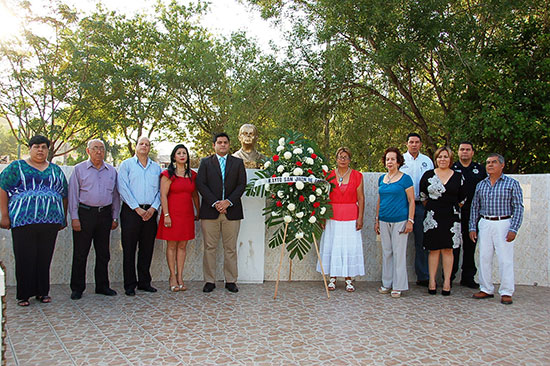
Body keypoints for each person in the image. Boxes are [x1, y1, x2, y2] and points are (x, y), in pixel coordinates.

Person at [0, 135, 68, 306]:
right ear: (29, 149)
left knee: (44, 257)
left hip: (50, 221)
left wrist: (63, 217)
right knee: (24, 256)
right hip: (23, 221)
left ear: (48, 150)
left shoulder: (55, 170)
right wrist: (4, 215)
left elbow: (64, 194)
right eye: (36, 146)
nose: (40, 150)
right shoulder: (17, 167)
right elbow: (2, 188)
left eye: (44, 147)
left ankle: (42, 292)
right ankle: (23, 295)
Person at [69, 139, 120, 300]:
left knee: (103, 253)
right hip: (85, 214)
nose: (99, 151)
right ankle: (77, 288)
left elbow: (116, 196)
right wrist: (74, 218)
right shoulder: (79, 170)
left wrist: (115, 216)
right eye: (95, 148)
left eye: (102, 149)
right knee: (80, 253)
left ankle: (102, 286)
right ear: (88, 151)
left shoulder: (111, 171)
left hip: (104, 215)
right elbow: (73, 195)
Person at [470, 153, 523, 305]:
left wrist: (514, 228)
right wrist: (472, 227)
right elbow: (475, 207)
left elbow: (518, 207)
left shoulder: (511, 184)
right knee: (484, 257)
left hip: (504, 223)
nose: (490, 165)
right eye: (488, 162)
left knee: (505, 259)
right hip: (485, 222)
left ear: (502, 165)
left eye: (494, 162)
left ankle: (506, 291)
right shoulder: (481, 185)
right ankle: (486, 288)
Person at [196, 132, 247, 293]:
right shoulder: (205, 162)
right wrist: (216, 203)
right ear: (214, 145)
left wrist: (228, 202)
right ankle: (209, 281)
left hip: (232, 211)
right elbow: (201, 184)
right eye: (219, 142)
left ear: (229, 144)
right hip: (210, 212)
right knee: (210, 247)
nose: (222, 145)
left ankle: (231, 280)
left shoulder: (238, 163)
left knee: (230, 248)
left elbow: (241, 184)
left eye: (225, 142)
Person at [117, 136, 162, 296]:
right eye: (141, 144)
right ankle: (129, 284)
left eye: (147, 144)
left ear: (150, 148)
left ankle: (144, 282)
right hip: (131, 212)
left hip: (150, 213)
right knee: (129, 249)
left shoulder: (156, 168)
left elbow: (160, 191)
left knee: (147, 248)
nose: (144, 146)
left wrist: (153, 208)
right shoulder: (126, 165)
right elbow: (123, 188)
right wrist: (137, 208)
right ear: (136, 146)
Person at [317, 147, 365, 292]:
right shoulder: (329, 175)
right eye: (340, 157)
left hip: (351, 216)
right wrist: (322, 216)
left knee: (349, 247)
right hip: (332, 216)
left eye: (346, 157)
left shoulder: (357, 176)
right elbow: (324, 197)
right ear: (336, 159)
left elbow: (361, 198)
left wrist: (360, 217)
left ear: (350, 160)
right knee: (333, 245)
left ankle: (349, 279)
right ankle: (332, 277)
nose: (343, 160)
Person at [420, 146, 465, 296]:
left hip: (451, 217)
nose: (442, 159)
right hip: (433, 216)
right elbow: (423, 197)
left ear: (450, 159)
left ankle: (446, 283)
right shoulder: (428, 175)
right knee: (434, 250)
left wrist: (449, 207)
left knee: (448, 250)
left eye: (445, 157)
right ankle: (432, 282)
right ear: (436, 159)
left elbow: (462, 199)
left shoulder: (458, 176)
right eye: (440, 157)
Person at [156, 144, 200, 292]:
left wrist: (198, 211)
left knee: (182, 246)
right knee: (172, 245)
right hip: (172, 214)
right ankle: (172, 277)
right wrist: (166, 215)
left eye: (184, 153)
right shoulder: (168, 175)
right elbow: (163, 195)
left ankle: (180, 276)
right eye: (179, 153)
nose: (182, 155)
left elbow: (194, 194)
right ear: (174, 157)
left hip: (187, 214)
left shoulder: (193, 175)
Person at [374, 147, 414, 298]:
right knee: (387, 252)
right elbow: (379, 200)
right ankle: (386, 283)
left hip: (400, 220)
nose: (390, 162)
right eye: (387, 159)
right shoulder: (381, 179)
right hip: (384, 220)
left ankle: (398, 286)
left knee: (399, 253)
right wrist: (377, 220)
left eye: (392, 159)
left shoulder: (405, 179)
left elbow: (411, 201)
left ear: (398, 161)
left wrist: (410, 220)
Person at [399, 133, 434, 287]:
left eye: (417, 142)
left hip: (420, 205)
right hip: (401, 205)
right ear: (406, 144)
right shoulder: (400, 160)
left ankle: (423, 276)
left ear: (420, 144)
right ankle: (397, 276)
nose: (414, 144)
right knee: (398, 243)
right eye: (411, 142)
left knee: (421, 242)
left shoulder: (427, 161)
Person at [450, 142, 486, 288]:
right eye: (462, 149)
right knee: (453, 246)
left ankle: (468, 277)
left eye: (467, 150)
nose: (464, 152)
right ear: (458, 152)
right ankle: (449, 276)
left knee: (470, 246)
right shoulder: (452, 169)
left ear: (472, 152)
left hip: (474, 214)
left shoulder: (480, 170)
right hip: (454, 213)